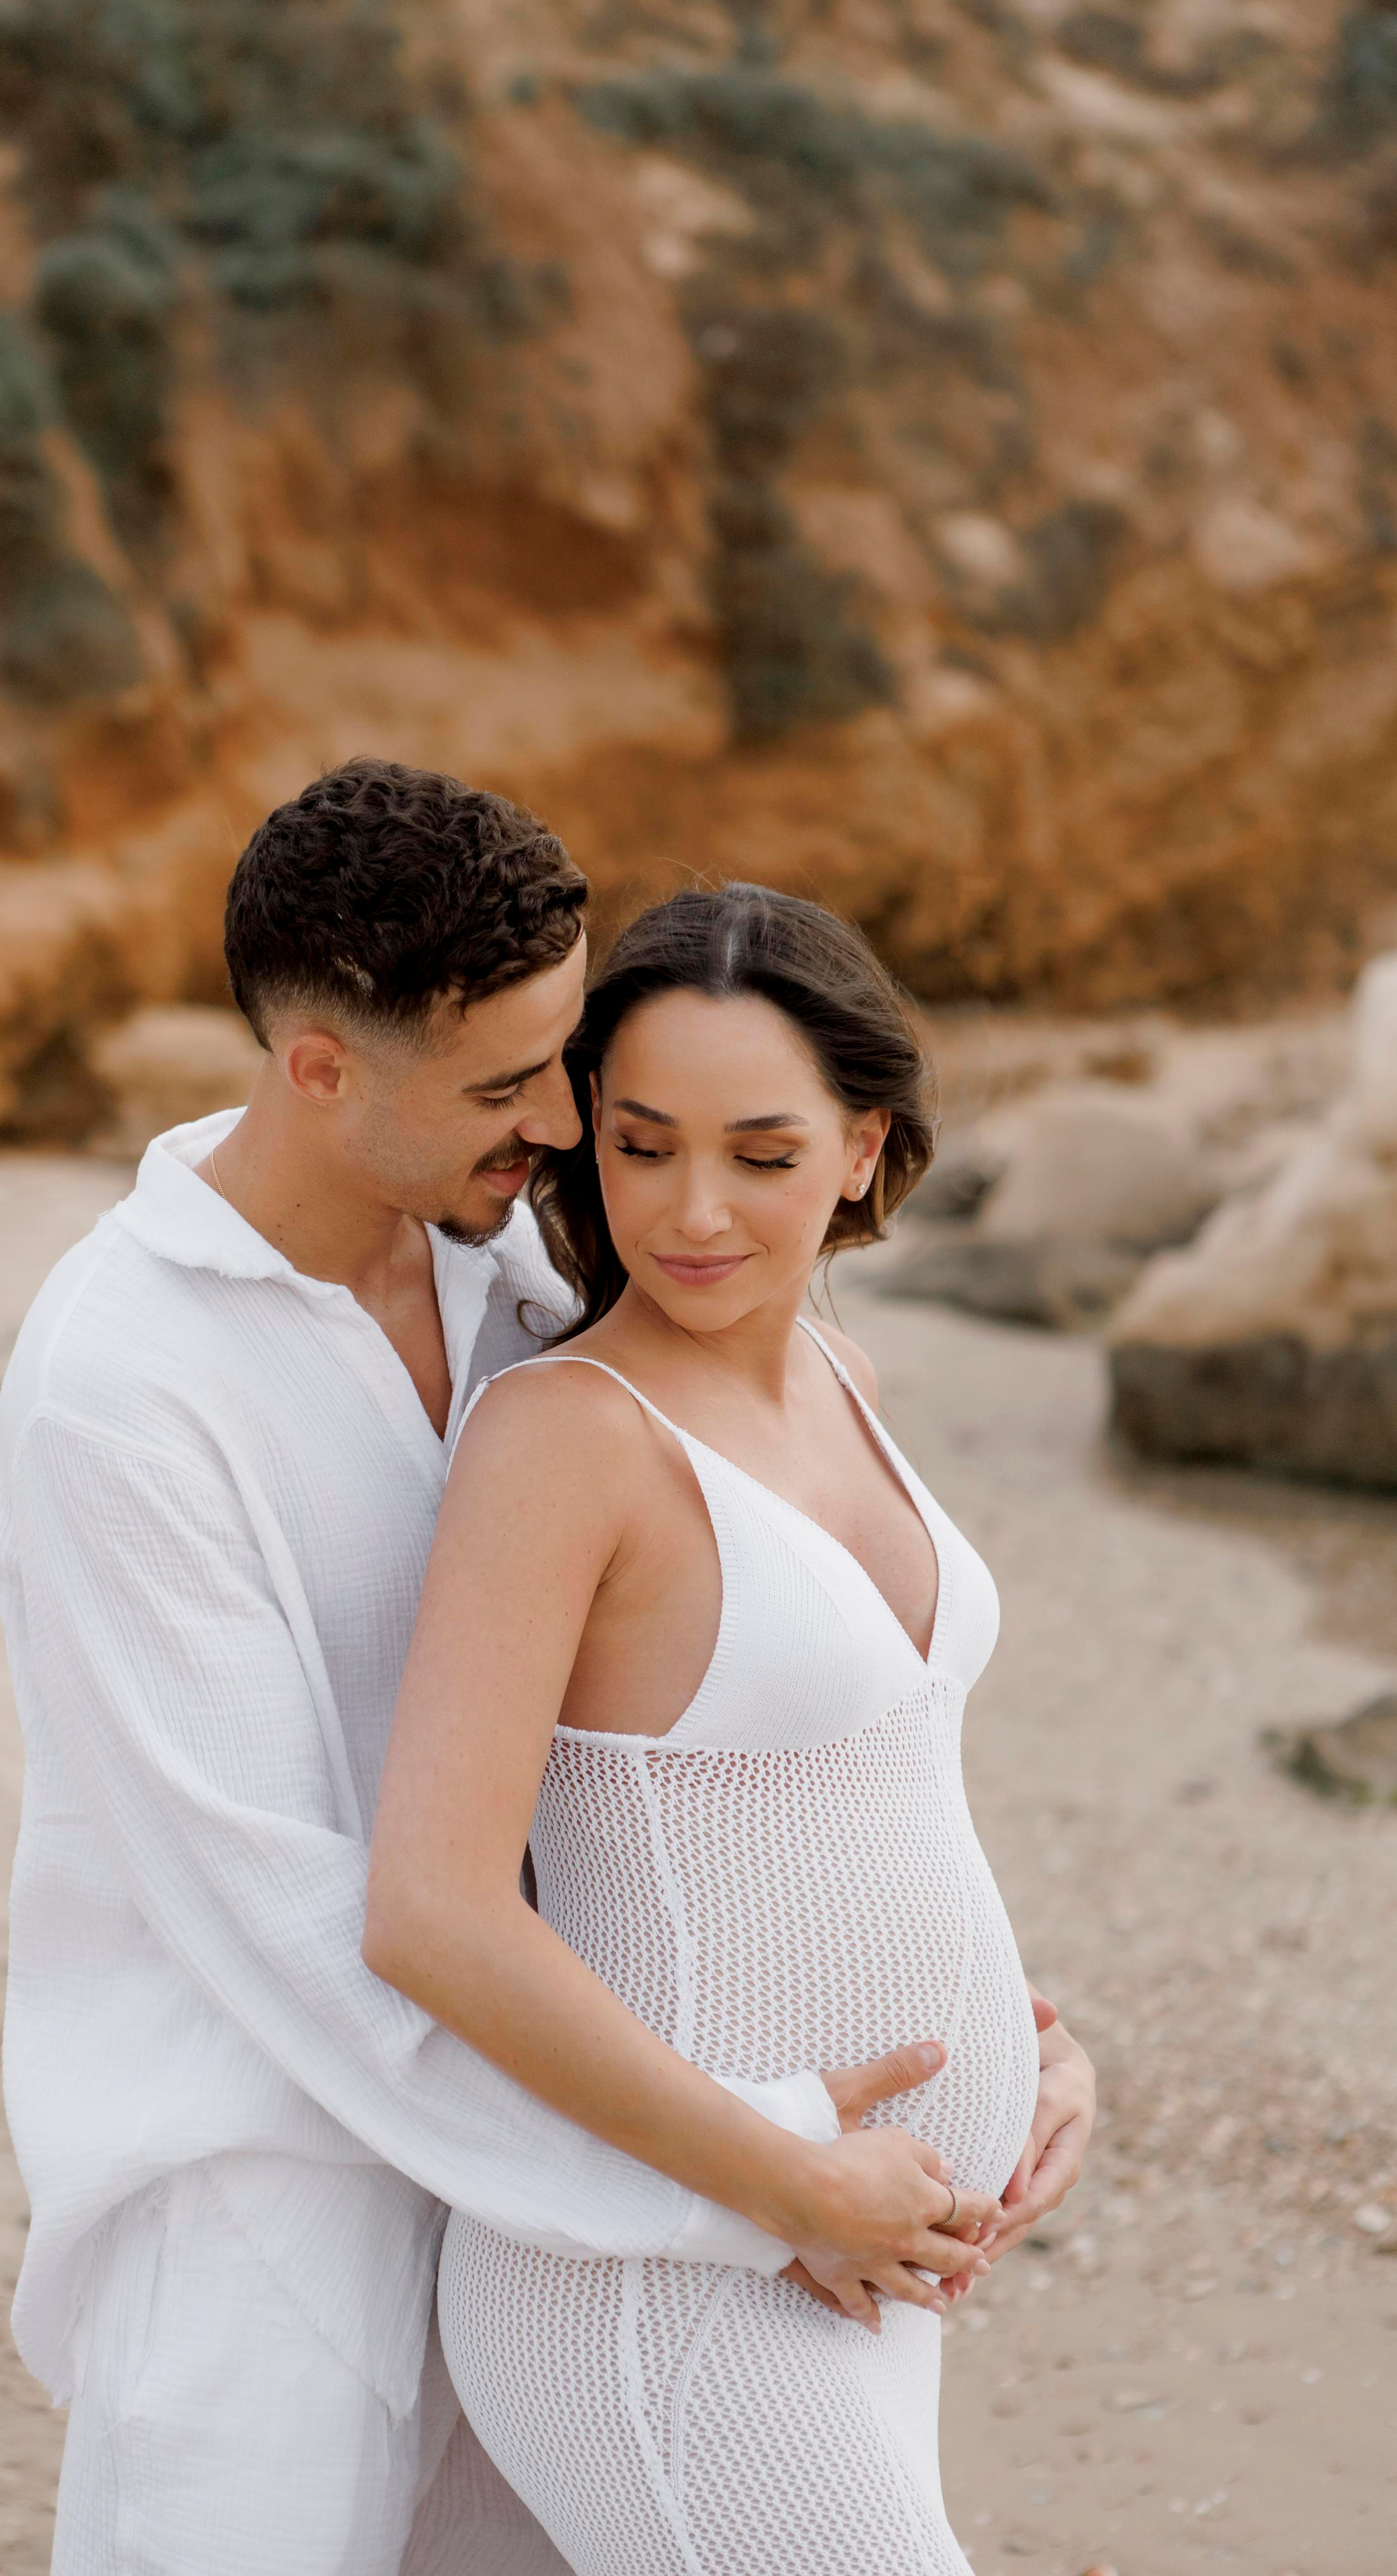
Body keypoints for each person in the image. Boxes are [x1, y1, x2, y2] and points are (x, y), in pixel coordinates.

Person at [0, 762, 1052, 2576]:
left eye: (570, 1064)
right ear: (322, 1071)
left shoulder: (501, 1281)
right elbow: (307, 1921)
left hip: (596, 2160)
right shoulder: (126, 1393)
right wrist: (747, 2178)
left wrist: (988, 2044)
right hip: (277, 2198)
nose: (563, 1124)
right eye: (510, 1085)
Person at [364, 882, 1098, 2574]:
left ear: (862, 1148)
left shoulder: (839, 1375)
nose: (689, 1213)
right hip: (673, 2277)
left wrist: (1031, 2037)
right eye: (639, 1147)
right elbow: (432, 1910)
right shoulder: (563, 1439)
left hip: (861, 2259)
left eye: (759, 1156)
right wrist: (781, 2174)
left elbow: (871, 1787)